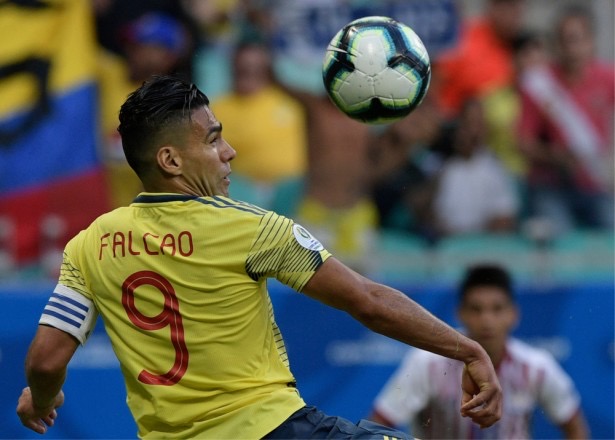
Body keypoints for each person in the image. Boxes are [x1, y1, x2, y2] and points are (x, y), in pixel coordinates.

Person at [16, 75, 502, 439]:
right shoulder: (251, 228)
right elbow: (368, 302)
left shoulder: (89, 245)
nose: (229, 152)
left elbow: (45, 359)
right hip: (271, 428)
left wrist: (41, 400)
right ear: (170, 160)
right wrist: (467, 350)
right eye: (212, 139)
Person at [370, 264, 589, 439]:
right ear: (460, 314)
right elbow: (378, 426)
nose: (486, 320)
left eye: (497, 309)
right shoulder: (427, 363)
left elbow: (575, 429)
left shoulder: (537, 367)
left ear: (513, 314)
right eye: (476, 309)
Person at [517, 5, 614, 234]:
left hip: (594, 183)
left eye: (576, 39)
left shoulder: (607, 78)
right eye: (563, 40)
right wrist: (555, 156)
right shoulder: (539, 83)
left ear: (591, 42)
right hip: (550, 185)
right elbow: (523, 142)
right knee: (558, 238)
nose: (571, 48)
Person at [432, 99, 520, 237]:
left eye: (478, 124)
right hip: (445, 242)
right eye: (467, 124)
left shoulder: (494, 168)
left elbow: (505, 218)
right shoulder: (442, 166)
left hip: (480, 243)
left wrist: (472, 240)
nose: (472, 131)